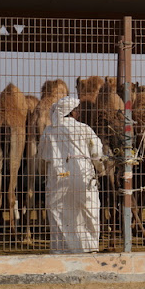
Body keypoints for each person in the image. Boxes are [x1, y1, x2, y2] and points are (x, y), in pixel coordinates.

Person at [37, 96, 104, 254]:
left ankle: (61, 251)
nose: (78, 113)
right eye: (76, 110)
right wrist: (100, 169)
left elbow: (42, 157)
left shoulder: (49, 132)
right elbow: (96, 152)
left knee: (59, 212)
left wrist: (44, 176)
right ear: (71, 112)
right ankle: (89, 249)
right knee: (88, 210)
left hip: (58, 176)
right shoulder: (85, 129)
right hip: (83, 174)